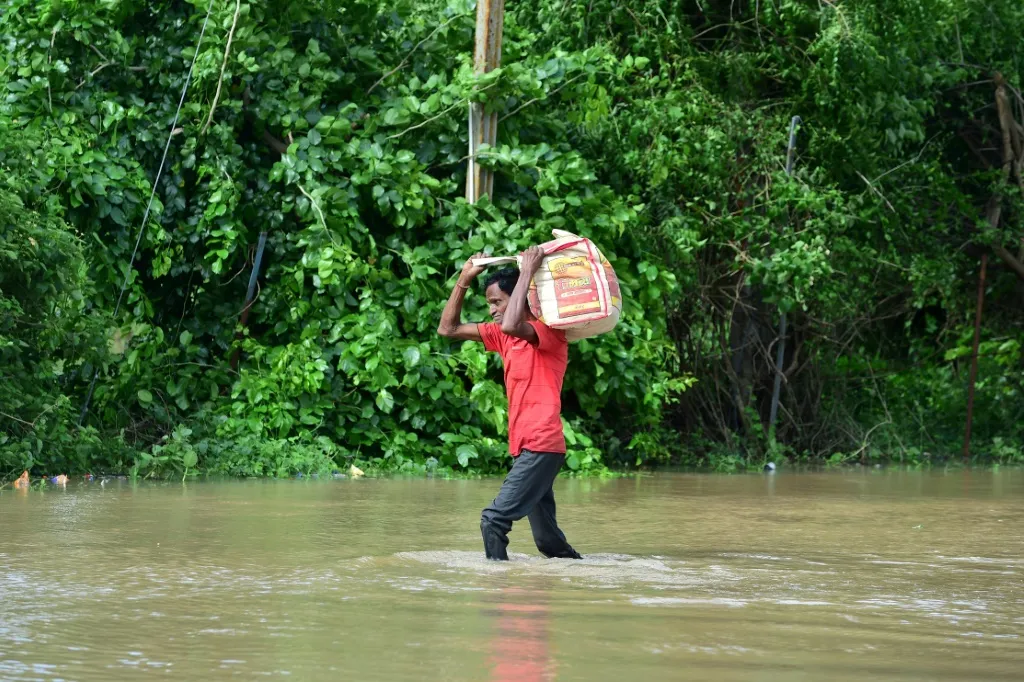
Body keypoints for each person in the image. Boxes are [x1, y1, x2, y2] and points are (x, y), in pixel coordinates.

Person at [437, 246, 583, 561]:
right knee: (548, 543)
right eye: (489, 303)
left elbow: (512, 324)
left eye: (496, 302)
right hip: (525, 448)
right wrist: (463, 280)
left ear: (518, 295)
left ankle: (497, 585)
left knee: (493, 520)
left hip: (541, 445)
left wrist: (527, 272)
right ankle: (587, 580)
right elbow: (447, 329)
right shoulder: (505, 338)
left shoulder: (549, 333)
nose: (491, 310)